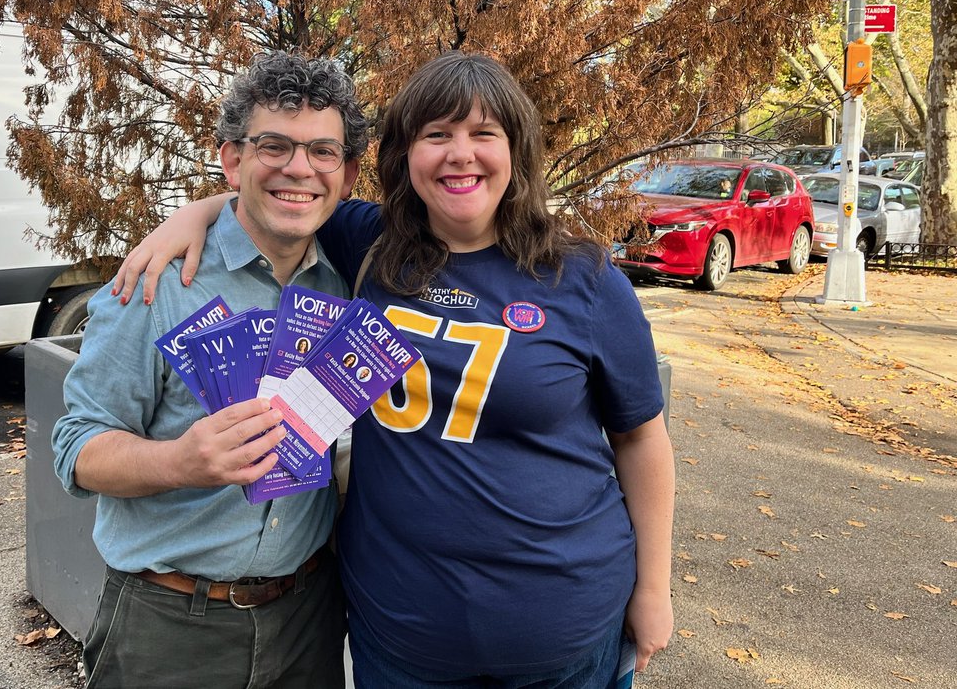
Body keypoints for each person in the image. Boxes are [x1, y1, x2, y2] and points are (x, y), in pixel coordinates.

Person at [115, 51, 675, 687]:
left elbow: (642, 439)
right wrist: (194, 213)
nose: (459, 154)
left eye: (483, 133)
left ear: (517, 149)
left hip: (565, 635)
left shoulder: (585, 280)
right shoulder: (370, 244)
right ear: (406, 156)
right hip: (401, 640)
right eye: (436, 134)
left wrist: (653, 589)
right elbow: (284, 186)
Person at [52, 52, 368, 688]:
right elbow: (75, 447)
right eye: (273, 146)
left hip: (307, 618)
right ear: (232, 159)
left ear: (348, 172)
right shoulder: (156, 283)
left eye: (322, 152)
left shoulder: (349, 284)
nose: (299, 168)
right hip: (168, 626)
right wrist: (179, 462)